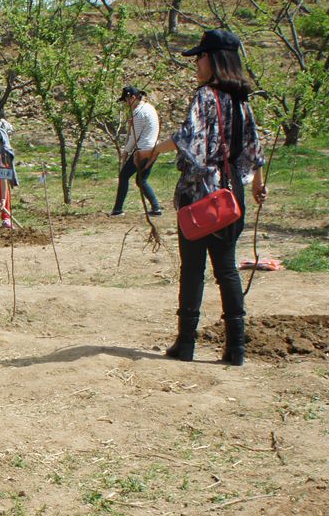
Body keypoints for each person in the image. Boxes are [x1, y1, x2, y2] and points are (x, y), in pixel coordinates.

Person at [137, 29, 267, 366]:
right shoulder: (242, 100)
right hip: (231, 193)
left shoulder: (206, 97)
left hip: (201, 194)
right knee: (227, 269)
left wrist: (152, 150)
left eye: (200, 56)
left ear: (215, 59)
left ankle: (186, 344)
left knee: (193, 269)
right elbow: (254, 148)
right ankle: (236, 348)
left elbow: (186, 136)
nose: (196, 63)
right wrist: (256, 185)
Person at [110, 86, 163, 217]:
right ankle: (156, 208)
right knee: (141, 180)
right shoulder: (149, 108)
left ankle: (118, 209)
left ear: (132, 98)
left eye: (126, 100)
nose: (126, 103)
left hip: (142, 150)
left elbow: (135, 136)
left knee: (124, 176)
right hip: (153, 148)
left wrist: (126, 151)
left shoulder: (138, 112)